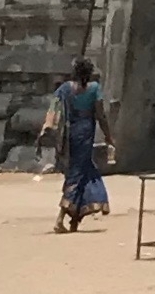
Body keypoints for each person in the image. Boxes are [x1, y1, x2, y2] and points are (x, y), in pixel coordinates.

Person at [42, 53, 111, 233]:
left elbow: (54, 107)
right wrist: (109, 135)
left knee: (81, 173)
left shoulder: (65, 89)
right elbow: (101, 115)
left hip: (69, 135)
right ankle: (60, 218)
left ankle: (75, 220)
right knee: (78, 176)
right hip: (85, 134)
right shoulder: (94, 88)